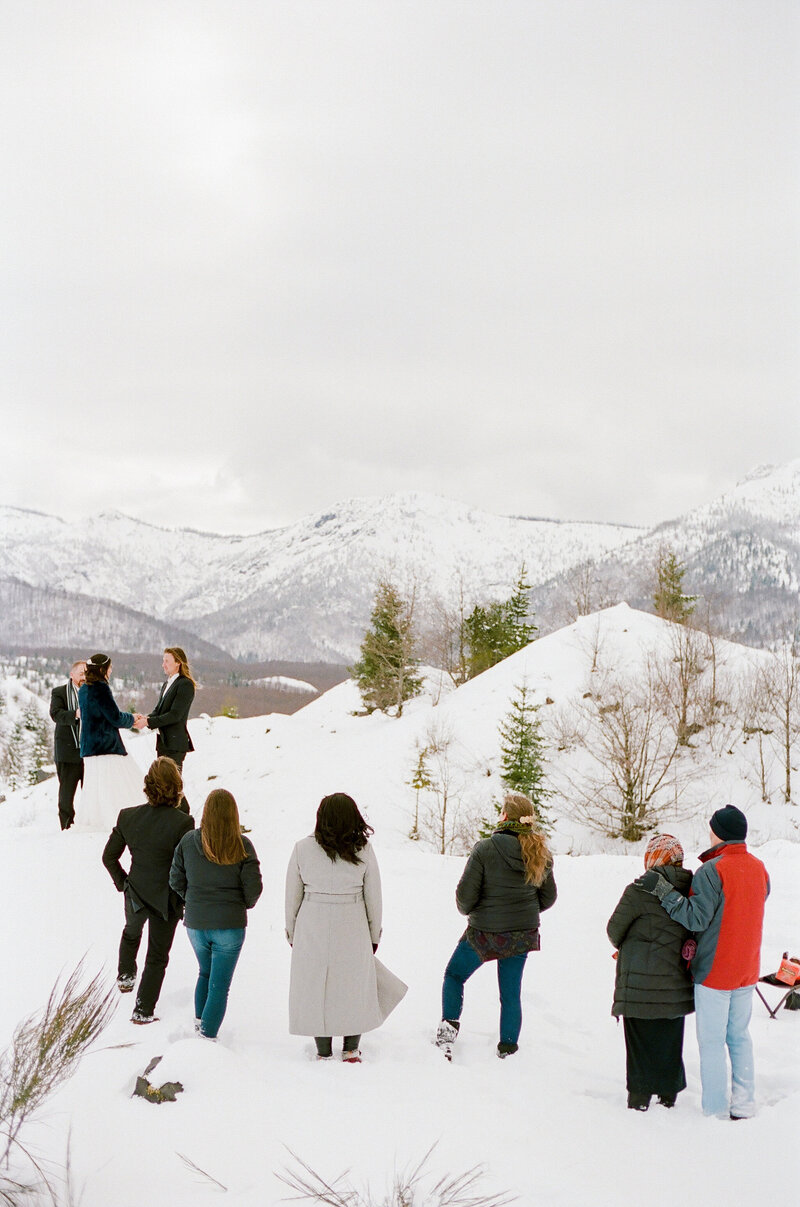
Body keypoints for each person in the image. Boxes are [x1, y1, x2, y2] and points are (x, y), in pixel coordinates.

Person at [642, 805, 770, 1120]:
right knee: (739, 1036)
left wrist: (664, 892)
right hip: (747, 969)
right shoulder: (760, 868)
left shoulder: (712, 871)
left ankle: (713, 1110)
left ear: (719, 833)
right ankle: (744, 1103)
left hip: (715, 970)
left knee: (712, 1042)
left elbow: (695, 918)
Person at [285, 792, 406, 1062]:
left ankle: (323, 1051)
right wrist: (374, 935)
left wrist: (292, 932)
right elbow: (373, 897)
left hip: (312, 921)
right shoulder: (363, 850)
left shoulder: (302, 849)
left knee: (317, 986)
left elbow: (292, 895)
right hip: (352, 921)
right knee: (353, 985)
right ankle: (351, 1049)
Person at [435, 792, 557, 1060]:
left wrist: (476, 911)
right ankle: (508, 1048)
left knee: (454, 975)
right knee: (511, 993)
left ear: (504, 816)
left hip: (484, 934)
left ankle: (448, 1030)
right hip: (521, 935)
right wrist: (523, 911)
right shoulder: (540, 853)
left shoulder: (485, 849)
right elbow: (548, 898)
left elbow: (465, 899)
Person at [102, 757, 195, 1024]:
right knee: (157, 956)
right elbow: (186, 867)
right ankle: (143, 1010)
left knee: (131, 933)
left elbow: (109, 857)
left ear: (147, 785)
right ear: (177, 787)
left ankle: (125, 976)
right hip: (166, 899)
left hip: (136, 892)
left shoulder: (128, 816)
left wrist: (124, 884)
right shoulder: (183, 823)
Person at [607, 834, 695, 1111]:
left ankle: (640, 1097)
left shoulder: (638, 890)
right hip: (674, 984)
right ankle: (668, 1094)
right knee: (669, 1039)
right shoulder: (691, 891)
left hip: (638, 985)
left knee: (639, 1041)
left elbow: (613, 931)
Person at [169, 789, 262, 1040]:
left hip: (196, 924)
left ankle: (200, 1027)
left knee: (205, 973)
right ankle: (206, 1037)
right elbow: (253, 889)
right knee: (219, 985)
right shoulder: (242, 845)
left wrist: (192, 899)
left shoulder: (189, 841)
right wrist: (240, 905)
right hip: (230, 926)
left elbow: (175, 879)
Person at [78, 653, 146, 830]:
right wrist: (132, 718)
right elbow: (114, 717)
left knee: (95, 787)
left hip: (89, 746)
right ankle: (121, 820)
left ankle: (96, 822)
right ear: (102, 670)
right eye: (109, 667)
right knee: (119, 784)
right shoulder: (101, 688)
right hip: (106, 745)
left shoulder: (84, 689)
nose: (111, 670)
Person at [134, 647, 195, 771]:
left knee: (172, 785)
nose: (163, 665)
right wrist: (146, 718)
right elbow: (159, 710)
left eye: (167, 661)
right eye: (163, 661)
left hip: (174, 745)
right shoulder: (167, 684)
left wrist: (148, 722)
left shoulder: (185, 684)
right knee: (162, 783)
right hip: (163, 743)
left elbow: (175, 715)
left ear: (178, 662)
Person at [49, 660, 86, 829]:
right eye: (81, 673)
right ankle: (66, 825)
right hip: (67, 752)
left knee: (91, 792)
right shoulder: (59, 692)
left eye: (87, 673)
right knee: (66, 794)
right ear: (72, 675)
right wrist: (76, 714)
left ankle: (89, 823)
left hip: (89, 752)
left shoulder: (93, 692)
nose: (84, 677)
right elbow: (56, 714)